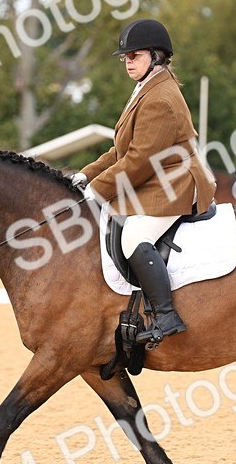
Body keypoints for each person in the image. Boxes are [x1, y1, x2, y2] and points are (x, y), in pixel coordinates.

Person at [71, 18, 215, 344]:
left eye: (134, 56)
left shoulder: (160, 98)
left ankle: (166, 316)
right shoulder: (146, 89)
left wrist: (96, 191)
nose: (128, 63)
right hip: (158, 178)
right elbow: (120, 150)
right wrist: (84, 174)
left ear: (156, 55)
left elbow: (138, 161)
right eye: (126, 58)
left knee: (133, 237)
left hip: (174, 184)